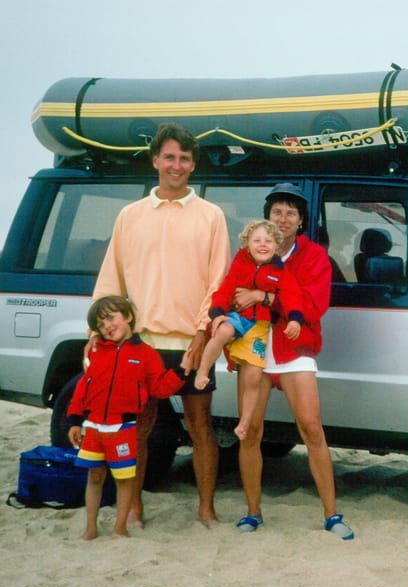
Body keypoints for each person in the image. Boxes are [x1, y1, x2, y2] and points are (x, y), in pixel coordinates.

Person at [91, 122, 231, 528]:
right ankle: (133, 508)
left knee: (201, 426)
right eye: (169, 157)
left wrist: (203, 333)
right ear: (155, 160)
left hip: (192, 341)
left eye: (185, 158)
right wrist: (96, 335)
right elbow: (110, 280)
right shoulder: (129, 216)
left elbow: (218, 280)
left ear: (193, 165)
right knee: (138, 428)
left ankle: (206, 508)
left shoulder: (210, 215)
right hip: (140, 343)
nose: (176, 165)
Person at [231, 183, 354, 539]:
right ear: (266, 216)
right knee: (250, 431)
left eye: (291, 213)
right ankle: (253, 512)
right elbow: (234, 297)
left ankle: (332, 515)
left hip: (293, 349)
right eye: (277, 211)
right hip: (253, 349)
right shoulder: (249, 251)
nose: (283, 219)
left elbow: (313, 308)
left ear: (301, 221)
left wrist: (263, 295)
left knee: (312, 428)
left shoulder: (314, 256)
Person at [69, 296, 188, 540]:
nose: (108, 327)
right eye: (101, 325)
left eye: (111, 318)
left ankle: (120, 527)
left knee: (125, 479)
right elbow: (84, 387)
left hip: (123, 428)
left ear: (128, 317)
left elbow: (159, 388)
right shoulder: (97, 352)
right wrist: (74, 420)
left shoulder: (146, 354)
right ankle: (90, 527)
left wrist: (182, 371)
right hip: (93, 427)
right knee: (95, 476)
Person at [195, 219, 305, 441]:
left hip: (259, 327)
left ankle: (244, 424)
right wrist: (216, 314)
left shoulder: (281, 271)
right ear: (247, 244)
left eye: (268, 241)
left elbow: (292, 297)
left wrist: (295, 320)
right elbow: (225, 291)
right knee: (223, 330)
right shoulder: (240, 264)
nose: (262, 245)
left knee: (254, 377)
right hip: (237, 317)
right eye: (257, 240)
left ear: (276, 245)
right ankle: (203, 372)